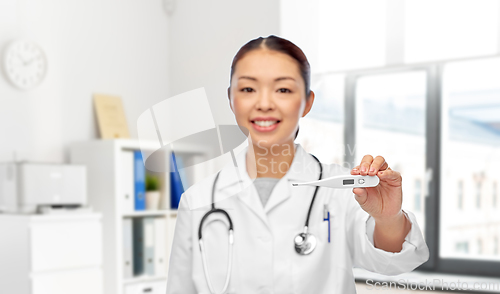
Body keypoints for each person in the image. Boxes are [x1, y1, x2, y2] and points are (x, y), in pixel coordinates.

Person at [165, 35, 429, 294]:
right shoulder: (196, 201)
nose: (264, 103)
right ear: (231, 99)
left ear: (307, 102)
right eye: (248, 89)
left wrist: (388, 218)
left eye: (283, 89)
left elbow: (396, 261)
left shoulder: (345, 190)